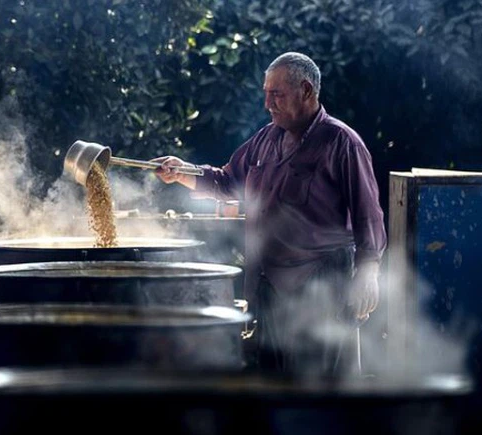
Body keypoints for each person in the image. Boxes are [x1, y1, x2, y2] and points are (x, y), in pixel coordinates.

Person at [152, 52, 386, 376]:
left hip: (322, 288)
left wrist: (368, 273)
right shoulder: (266, 139)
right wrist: (182, 173)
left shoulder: (341, 142)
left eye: (277, 94)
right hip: (267, 288)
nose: (268, 103)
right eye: (266, 93)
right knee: (275, 388)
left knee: (321, 392)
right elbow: (227, 180)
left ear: (306, 90)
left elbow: (368, 213)